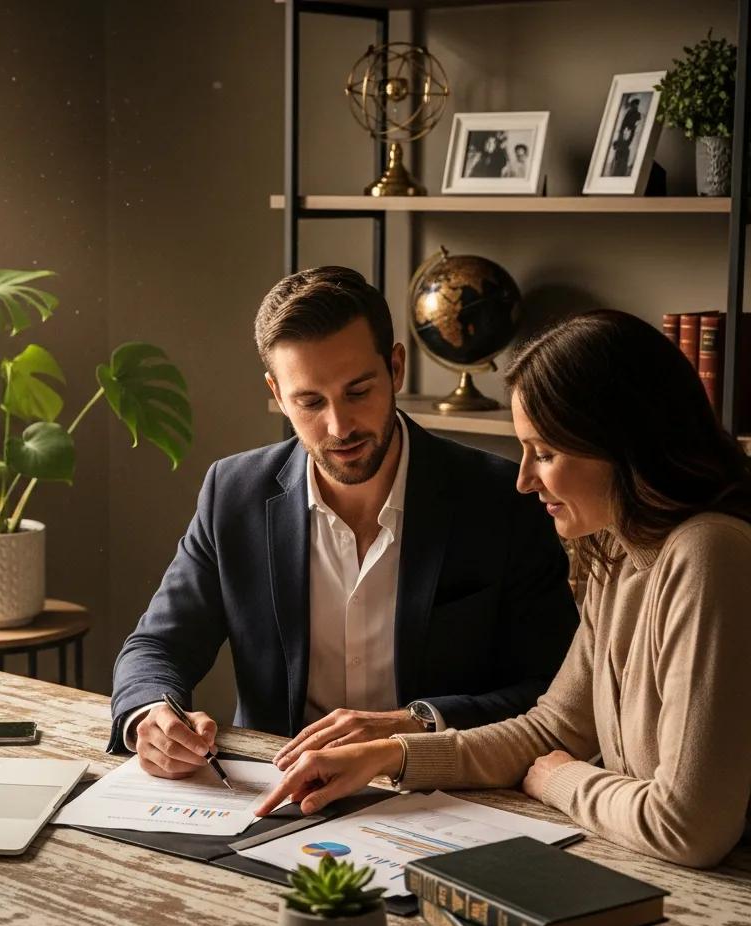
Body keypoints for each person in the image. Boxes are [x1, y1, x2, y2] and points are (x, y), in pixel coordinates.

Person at [256, 310, 751, 870]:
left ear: (623, 444)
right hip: (644, 865)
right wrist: (389, 757)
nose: (524, 479)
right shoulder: (615, 552)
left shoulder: (709, 552)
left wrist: (560, 779)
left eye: (545, 454)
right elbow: (552, 728)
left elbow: (689, 827)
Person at [108, 266, 579, 779]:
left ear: (395, 367)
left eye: (358, 391)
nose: (339, 427)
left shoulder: (502, 498)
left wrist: (414, 724)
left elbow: (551, 689)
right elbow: (158, 645)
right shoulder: (233, 493)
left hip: (440, 790)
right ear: (277, 393)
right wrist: (149, 715)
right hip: (277, 789)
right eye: (310, 401)